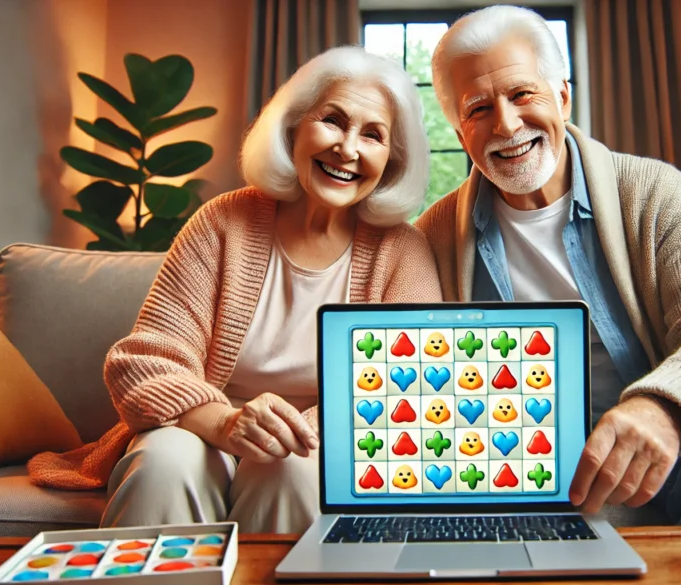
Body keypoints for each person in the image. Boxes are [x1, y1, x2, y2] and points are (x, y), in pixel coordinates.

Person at [415, 5, 681, 525]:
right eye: (478, 109)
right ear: (461, 132)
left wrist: (662, 406)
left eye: (522, 94)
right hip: (518, 461)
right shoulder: (432, 235)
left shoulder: (654, 192)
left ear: (563, 96)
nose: (506, 124)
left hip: (661, 448)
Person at [28, 46, 442, 533]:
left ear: (391, 159)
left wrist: (303, 431)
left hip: (323, 443)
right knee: (164, 464)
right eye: (332, 121)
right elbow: (142, 363)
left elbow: (409, 389)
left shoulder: (403, 251)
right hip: (203, 428)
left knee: (294, 471)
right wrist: (226, 424)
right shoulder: (223, 221)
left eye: (372, 135)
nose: (347, 149)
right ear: (294, 127)